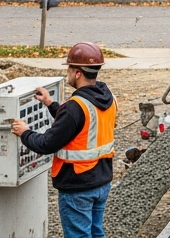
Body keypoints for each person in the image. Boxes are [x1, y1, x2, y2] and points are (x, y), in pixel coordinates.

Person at [11, 42, 116, 238]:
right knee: (96, 233)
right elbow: (78, 123)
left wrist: (25, 132)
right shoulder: (107, 97)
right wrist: (51, 103)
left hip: (78, 186)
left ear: (77, 73)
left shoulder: (75, 107)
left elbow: (46, 144)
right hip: (101, 181)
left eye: (69, 67)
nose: (67, 72)